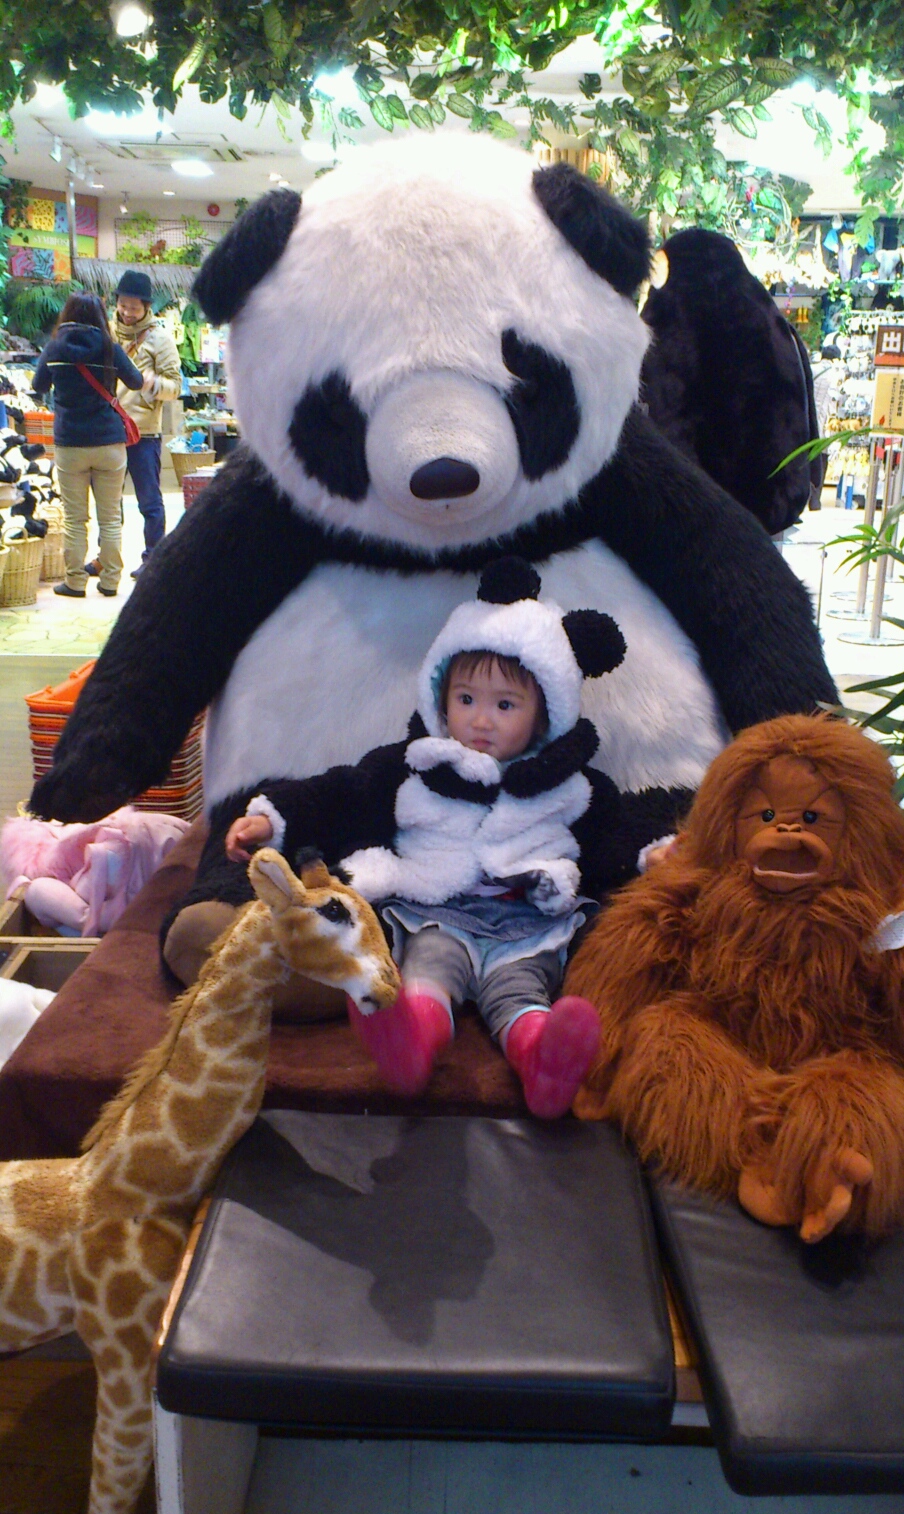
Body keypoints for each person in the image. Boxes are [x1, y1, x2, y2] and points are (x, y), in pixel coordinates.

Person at [207, 561, 664, 1119]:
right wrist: (272, 817)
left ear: (546, 716)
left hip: (527, 924)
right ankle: (412, 1042)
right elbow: (340, 793)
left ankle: (543, 1060)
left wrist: (654, 852)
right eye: (466, 699)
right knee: (428, 970)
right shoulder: (415, 766)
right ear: (440, 698)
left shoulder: (569, 788)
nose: (481, 720)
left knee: (521, 991)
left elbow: (614, 831)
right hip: (436, 914)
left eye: (505, 705)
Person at [31, 293, 143, 597]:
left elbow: (38, 386)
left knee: (75, 519)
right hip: (109, 442)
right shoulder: (109, 347)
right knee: (110, 517)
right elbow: (136, 381)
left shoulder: (55, 347)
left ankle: (75, 582)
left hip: (70, 443)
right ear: (99, 316)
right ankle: (110, 581)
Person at [89, 271, 181, 579]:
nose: (127, 312)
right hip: (109, 430)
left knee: (149, 501)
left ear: (146, 307)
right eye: (123, 305)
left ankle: (154, 559)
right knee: (108, 501)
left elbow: (175, 387)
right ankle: (106, 558)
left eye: (134, 307)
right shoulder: (106, 333)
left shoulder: (160, 339)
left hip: (143, 432)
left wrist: (153, 384)